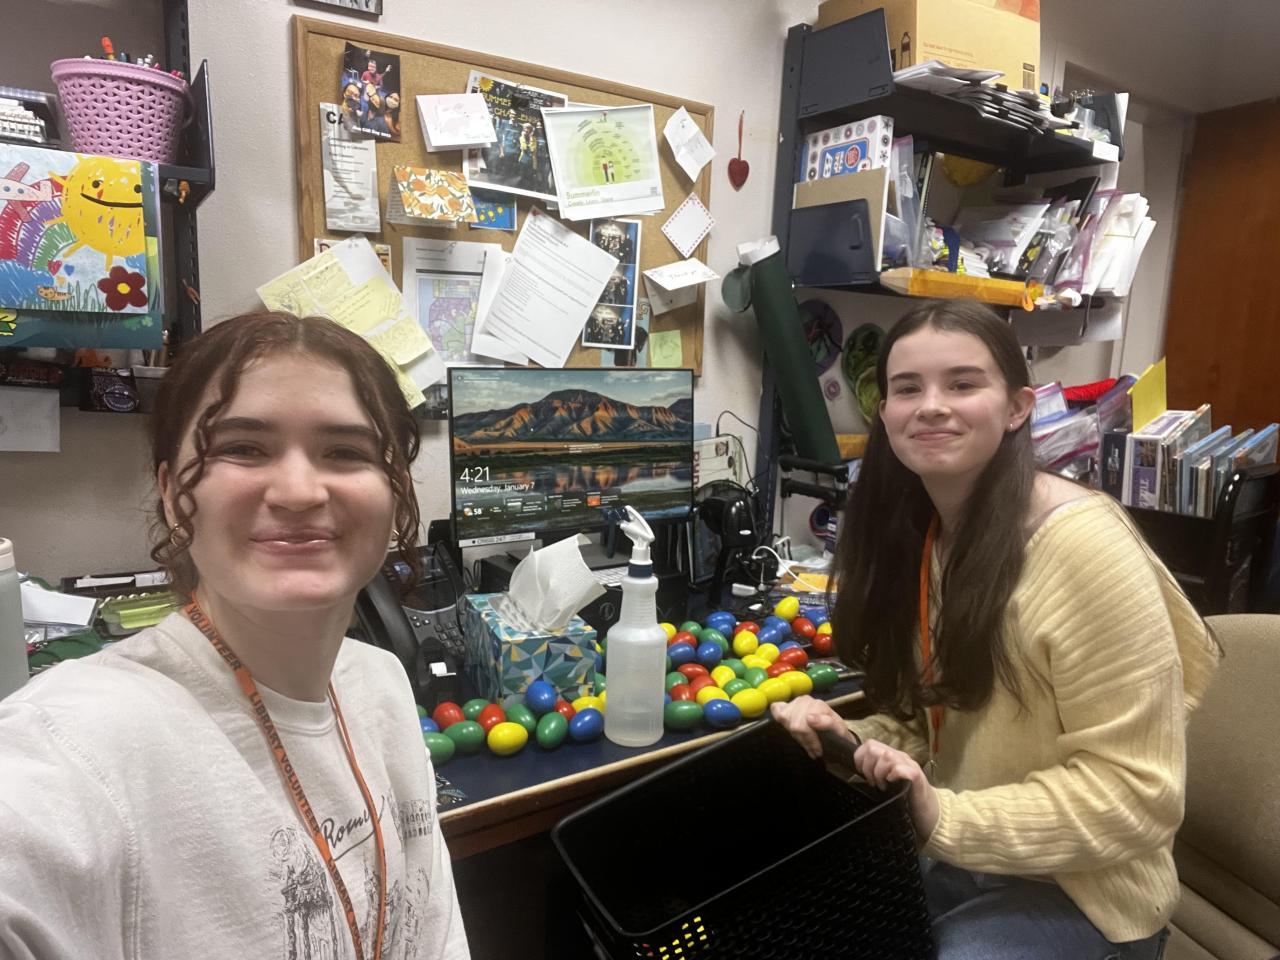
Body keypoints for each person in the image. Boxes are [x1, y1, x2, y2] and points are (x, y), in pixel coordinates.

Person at [0, 312, 471, 960]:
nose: (299, 492)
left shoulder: (381, 685)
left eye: (346, 452)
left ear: (395, 495)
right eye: (243, 448)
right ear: (172, 492)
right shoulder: (73, 747)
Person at [771, 299, 1219, 960]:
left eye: (962, 384)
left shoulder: (1086, 548)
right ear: (885, 415)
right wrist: (851, 739)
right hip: (968, 853)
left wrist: (942, 815)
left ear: (1017, 408)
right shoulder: (932, 535)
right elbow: (943, 731)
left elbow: (1138, 797)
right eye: (907, 389)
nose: (930, 406)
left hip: (1085, 893)